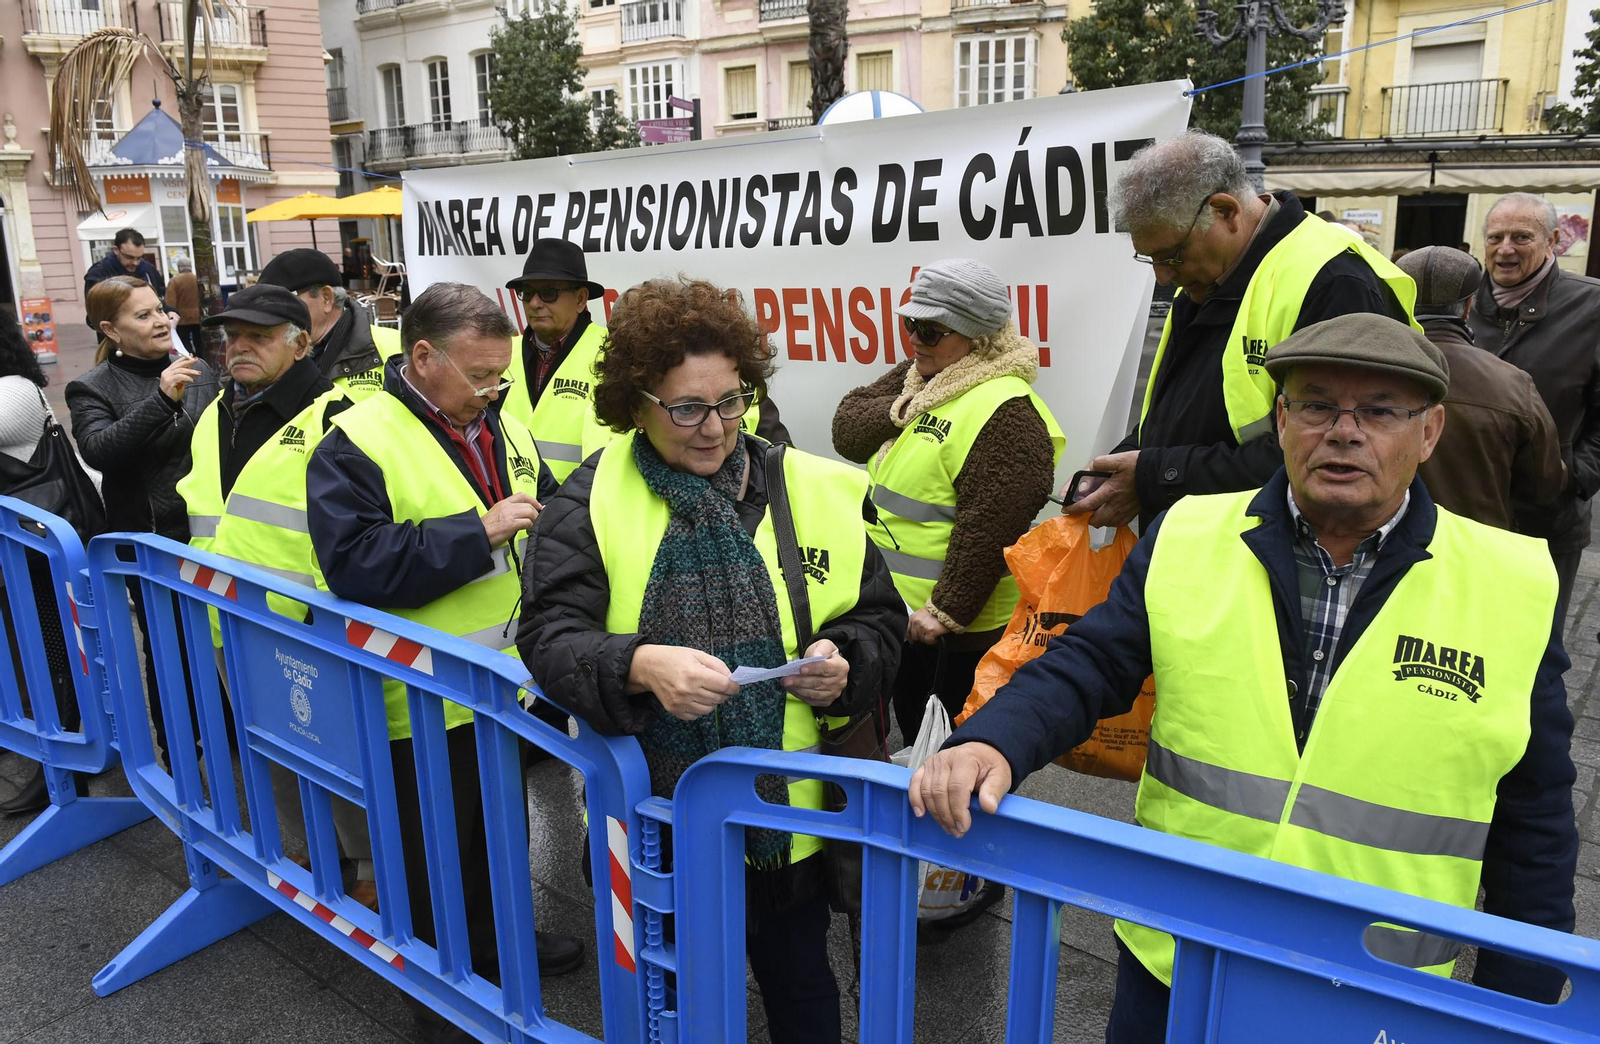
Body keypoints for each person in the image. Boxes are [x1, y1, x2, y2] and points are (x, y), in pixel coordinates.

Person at [910, 313, 1578, 1042]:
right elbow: (1090, 662)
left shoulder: (1509, 582)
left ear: (1430, 432)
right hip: (1182, 957)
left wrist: (1525, 1002)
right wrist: (991, 742)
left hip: (1376, 984)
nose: (1344, 431)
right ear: (1282, 420)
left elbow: (1534, 812)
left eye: (1380, 410)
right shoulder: (1191, 534)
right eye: (1317, 403)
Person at [519, 276, 904, 1044]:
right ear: (636, 405)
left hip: (792, 822)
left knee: (803, 987)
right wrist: (639, 664)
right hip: (661, 821)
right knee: (685, 998)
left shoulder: (813, 486)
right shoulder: (588, 501)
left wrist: (844, 661)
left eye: (730, 402)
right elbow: (548, 636)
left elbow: (879, 619)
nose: (714, 428)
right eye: (687, 408)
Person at [304, 283, 578, 1042]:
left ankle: (497, 951)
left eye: (501, 375)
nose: (493, 390)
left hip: (500, 688)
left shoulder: (498, 423)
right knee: (433, 865)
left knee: (497, 837)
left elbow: (546, 507)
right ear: (422, 358)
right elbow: (352, 563)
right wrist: (477, 531)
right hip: (418, 696)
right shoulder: (355, 440)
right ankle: (444, 1006)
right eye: (480, 375)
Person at [1068, 130, 1417, 534]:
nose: (1164, 276)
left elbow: (1328, 454)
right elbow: (1175, 416)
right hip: (1201, 547)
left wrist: (1152, 475)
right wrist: (1120, 466)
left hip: (1276, 555)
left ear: (1225, 211)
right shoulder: (1204, 281)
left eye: (1171, 256)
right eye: (1151, 260)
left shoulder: (1335, 281)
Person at [173, 284, 375, 905]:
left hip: (308, 623)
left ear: (301, 341)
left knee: (339, 753)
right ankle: (311, 852)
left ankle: (368, 866)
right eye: (231, 337)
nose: (238, 348)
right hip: (226, 616)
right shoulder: (215, 412)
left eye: (257, 336)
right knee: (268, 743)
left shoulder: (335, 416)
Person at [833, 258, 1063, 751]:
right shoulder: (924, 379)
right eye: (910, 324)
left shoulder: (1007, 411)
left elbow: (992, 521)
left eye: (932, 330)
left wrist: (946, 610)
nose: (916, 339)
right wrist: (903, 409)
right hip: (899, 614)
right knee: (914, 740)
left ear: (976, 338)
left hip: (956, 636)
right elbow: (848, 430)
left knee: (948, 753)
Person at [68, 276, 220, 769]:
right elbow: (99, 451)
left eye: (160, 310)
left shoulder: (201, 370)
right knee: (168, 648)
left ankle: (229, 733)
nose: (159, 321)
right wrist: (160, 400)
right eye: (143, 315)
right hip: (154, 541)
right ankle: (179, 753)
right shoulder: (90, 387)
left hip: (213, 533)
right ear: (110, 329)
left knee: (220, 638)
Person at [501, 238, 790, 483]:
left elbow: (780, 463)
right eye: (527, 294)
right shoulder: (506, 356)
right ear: (638, 412)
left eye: (729, 402)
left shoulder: (749, 397)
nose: (713, 428)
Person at [1467, 192, 1600, 631]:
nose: (1505, 248)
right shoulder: (1457, 305)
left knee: (1536, 649)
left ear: (1554, 240)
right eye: (1496, 236)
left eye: (1521, 236)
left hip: (1548, 519)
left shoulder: (1592, 307)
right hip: (1464, 513)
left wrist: (1573, 477)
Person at [1396, 246, 1565, 531]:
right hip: (1476, 546)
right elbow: (1544, 486)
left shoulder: (1365, 369)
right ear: (1467, 306)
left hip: (1378, 550)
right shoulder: (1512, 383)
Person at [0, 317, 82, 814]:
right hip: (18, 555)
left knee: (53, 654)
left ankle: (65, 761)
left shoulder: (13, 391)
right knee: (28, 653)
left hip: (36, 553)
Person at [257, 247, 400, 399]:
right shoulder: (268, 352)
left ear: (326, 298)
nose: (274, 313)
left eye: (286, 300)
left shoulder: (396, 346)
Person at [84, 229, 166, 326]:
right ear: (116, 250)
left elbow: (161, 297)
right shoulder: (98, 274)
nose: (135, 263)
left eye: (139, 257)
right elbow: (95, 312)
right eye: (129, 257)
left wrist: (170, 311)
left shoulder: (149, 270)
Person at [164, 257, 202, 358]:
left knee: (184, 342)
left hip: (182, 319)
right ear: (190, 267)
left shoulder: (175, 281)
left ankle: (190, 358)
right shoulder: (198, 279)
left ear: (179, 268)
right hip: (198, 317)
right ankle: (202, 359)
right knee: (199, 341)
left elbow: (170, 302)